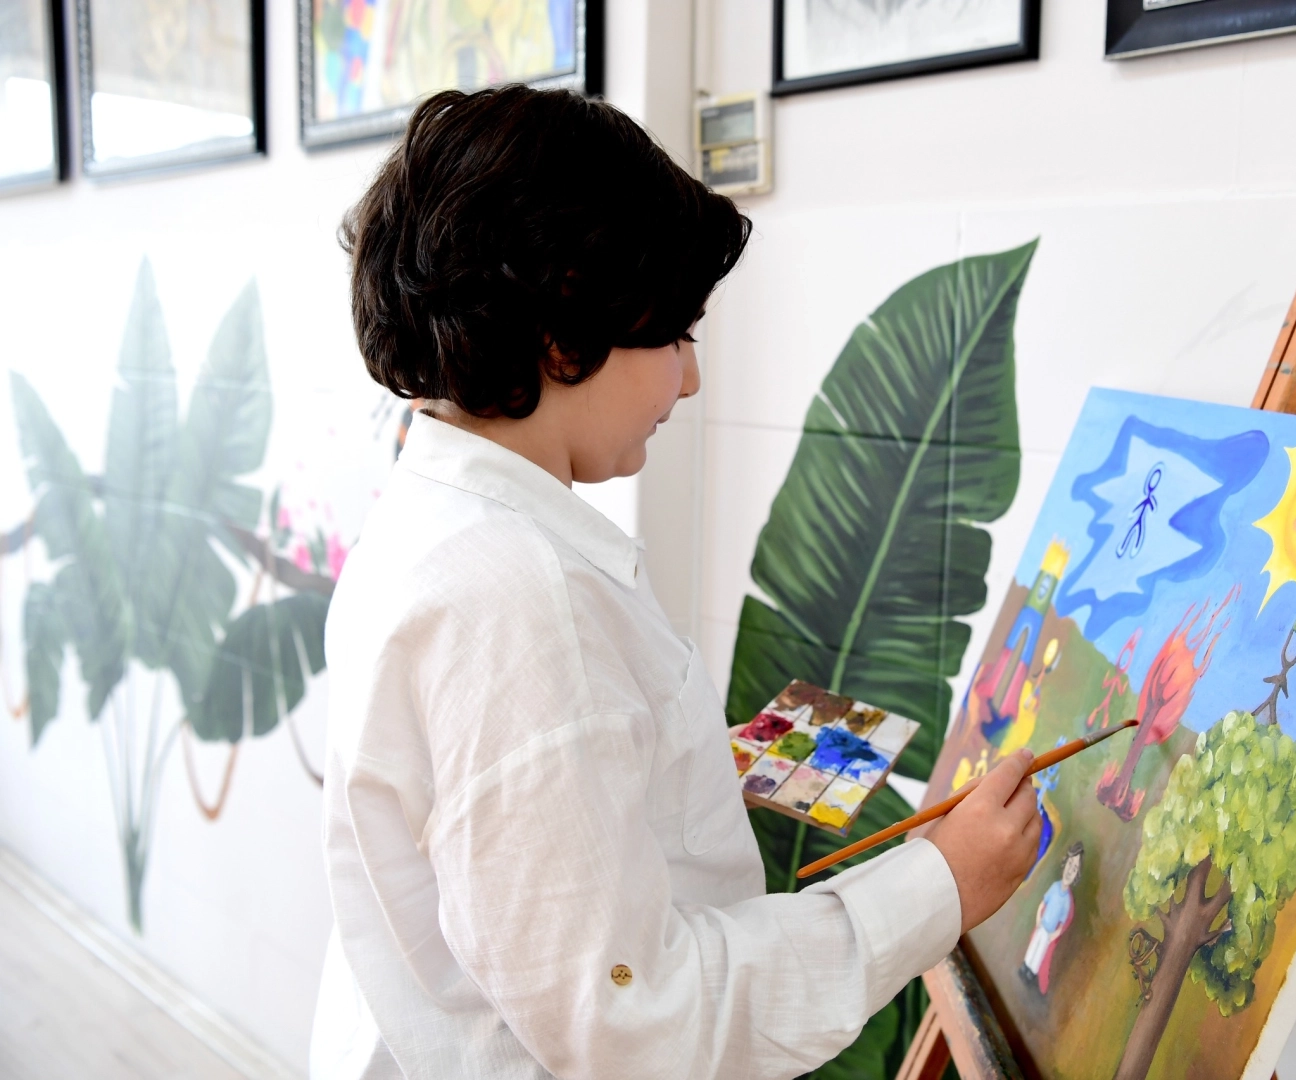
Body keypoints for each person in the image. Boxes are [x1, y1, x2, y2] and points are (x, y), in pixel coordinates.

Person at [308, 85, 1043, 1080]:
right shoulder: (517, 596)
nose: (690, 379)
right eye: (674, 336)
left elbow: (508, 829)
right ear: (564, 331)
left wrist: (671, 770)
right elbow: (632, 1018)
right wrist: (940, 887)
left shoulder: (439, 518)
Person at [1021, 842, 1086, 994]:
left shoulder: (1067, 901)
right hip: (1041, 926)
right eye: (1070, 864)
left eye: (1074, 869)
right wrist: (1038, 919)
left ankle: (1031, 972)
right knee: (1033, 946)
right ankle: (1025, 966)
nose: (1070, 871)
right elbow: (1043, 903)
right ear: (1065, 862)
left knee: (1040, 952)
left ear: (1076, 875)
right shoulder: (1055, 887)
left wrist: (1053, 935)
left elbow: (1062, 924)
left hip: (1049, 932)